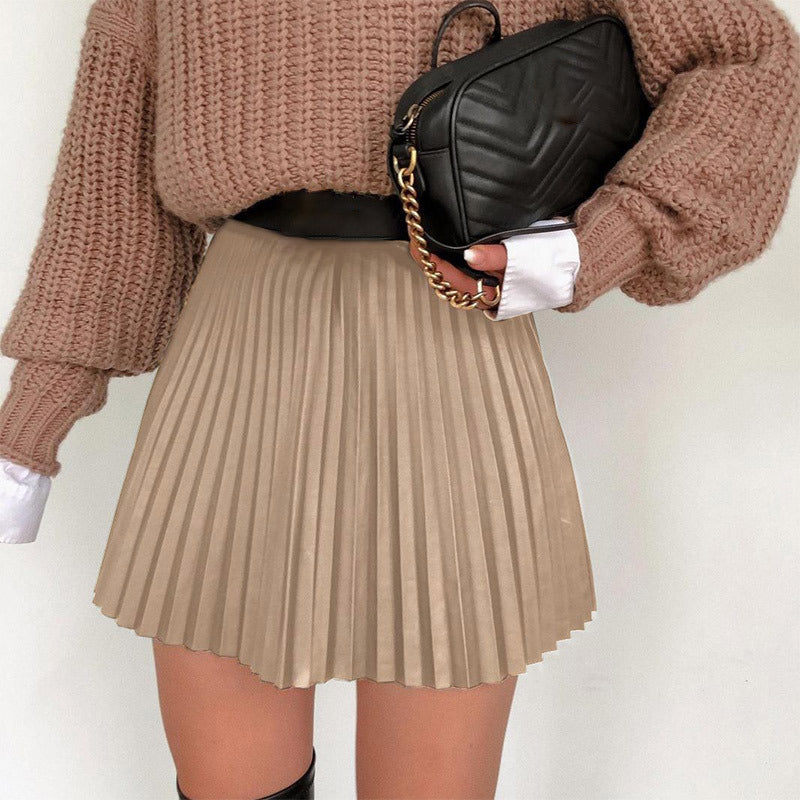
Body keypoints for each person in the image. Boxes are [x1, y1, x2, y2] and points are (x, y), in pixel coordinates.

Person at [1, 1, 798, 798]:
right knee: (228, 785)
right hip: (235, 355)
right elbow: (108, 201)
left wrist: (606, 240)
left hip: (449, 349)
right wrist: (27, 433)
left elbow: (748, 61)